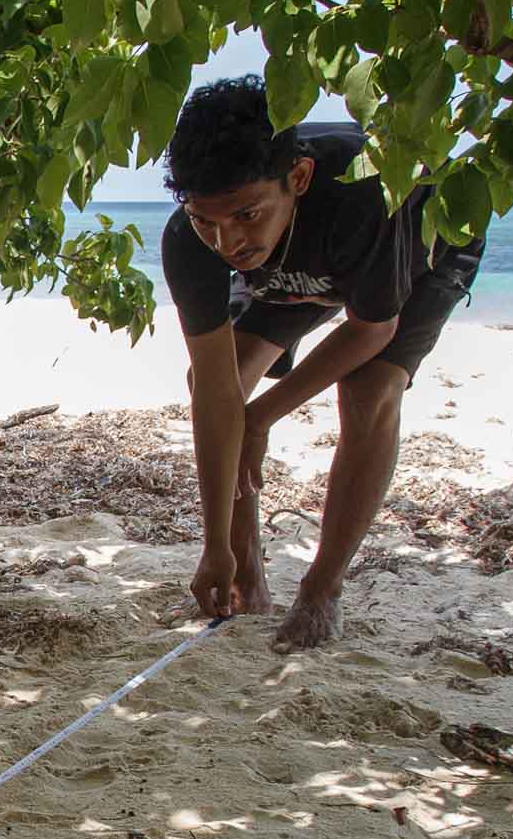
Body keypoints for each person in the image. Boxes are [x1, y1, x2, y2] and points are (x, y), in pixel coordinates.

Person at [159, 78, 482, 651]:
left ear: (299, 179)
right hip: (296, 263)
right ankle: (247, 572)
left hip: (426, 237)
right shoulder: (195, 237)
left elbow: (369, 330)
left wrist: (260, 420)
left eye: (245, 215)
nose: (227, 242)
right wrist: (215, 545)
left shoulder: (366, 193)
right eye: (207, 221)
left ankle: (321, 589)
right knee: (222, 383)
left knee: (369, 389)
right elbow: (212, 390)